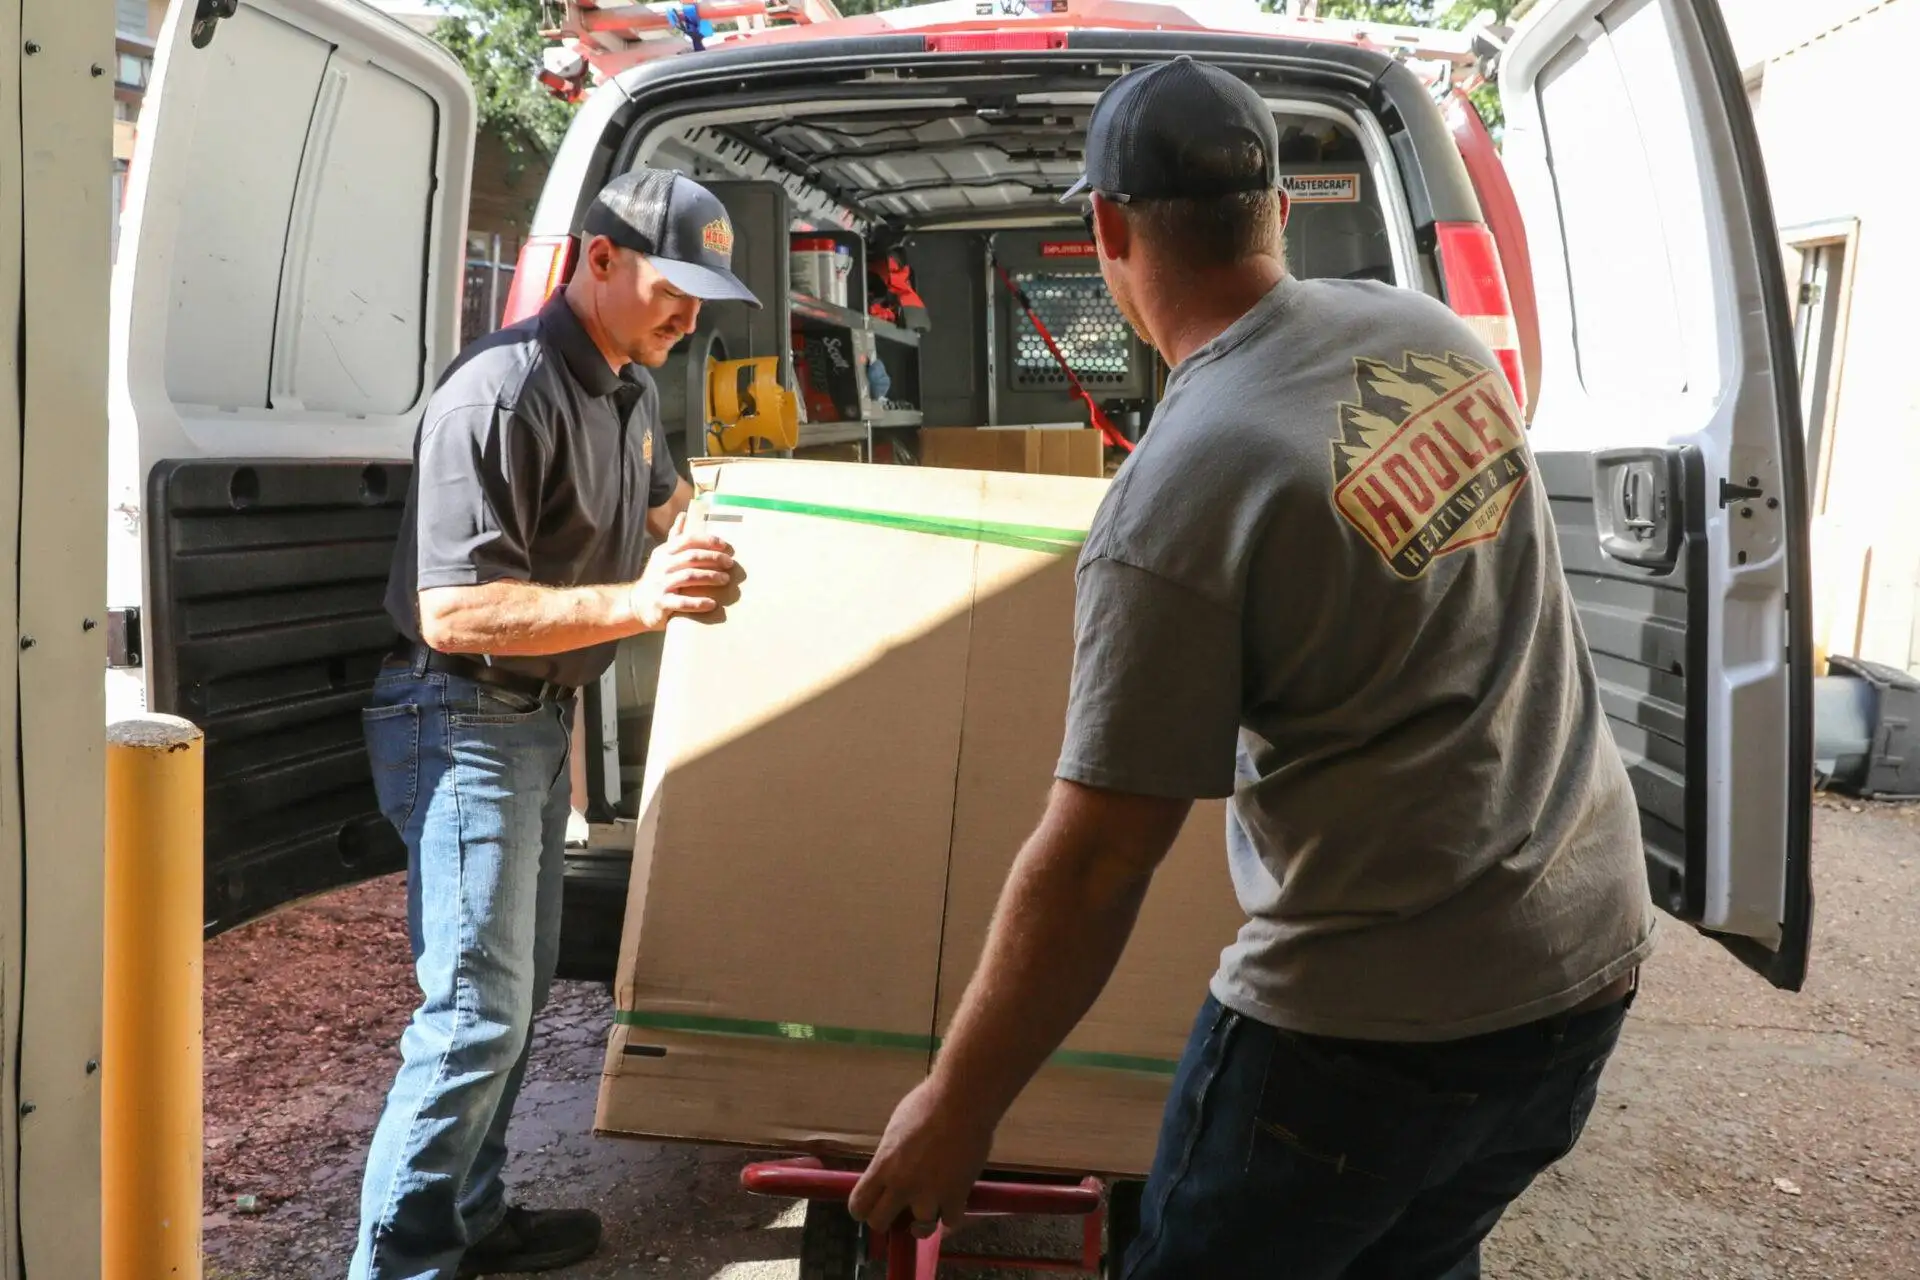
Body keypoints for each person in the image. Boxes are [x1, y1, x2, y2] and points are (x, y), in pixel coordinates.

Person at [849, 56, 1655, 1279]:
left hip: (1367, 1037)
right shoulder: (1434, 336)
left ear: (1108, 227)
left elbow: (1101, 857)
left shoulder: (1178, 493)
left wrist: (956, 1104)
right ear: (1280, 203)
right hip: (1582, 964)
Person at [352, 168, 757, 1280]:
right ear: (598, 259)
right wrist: (639, 600)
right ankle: (398, 1264)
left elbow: (680, 508)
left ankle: (465, 1221)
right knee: (472, 1012)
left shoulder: (626, 390)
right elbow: (455, 606)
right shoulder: (502, 392)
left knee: (514, 1005)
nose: (690, 313)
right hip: (457, 710)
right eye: (674, 286)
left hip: (531, 715)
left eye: (703, 296)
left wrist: (781, 527)